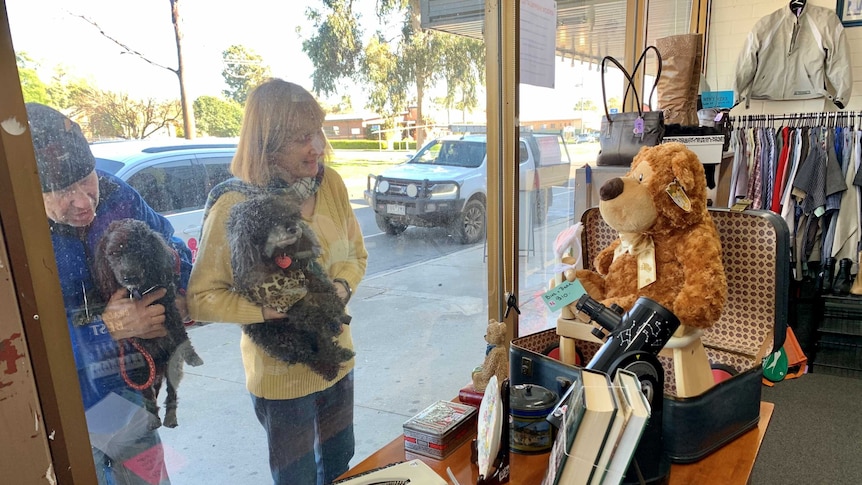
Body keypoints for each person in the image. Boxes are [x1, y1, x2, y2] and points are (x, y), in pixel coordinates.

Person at [186, 79, 368, 485]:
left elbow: (357, 254)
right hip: (282, 378)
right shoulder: (236, 203)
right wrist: (266, 311)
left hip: (338, 357)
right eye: (302, 137)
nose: (318, 146)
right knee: (298, 480)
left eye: (318, 132)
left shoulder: (331, 184)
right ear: (267, 143)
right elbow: (201, 298)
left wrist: (339, 290)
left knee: (342, 466)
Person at [27, 102, 193, 485]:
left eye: (87, 178)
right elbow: (17, 347)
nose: (84, 201)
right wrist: (105, 329)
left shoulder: (118, 193)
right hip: (55, 406)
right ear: (28, 188)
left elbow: (172, 246)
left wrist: (178, 294)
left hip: (125, 392)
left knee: (150, 482)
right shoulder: (15, 233)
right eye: (62, 190)